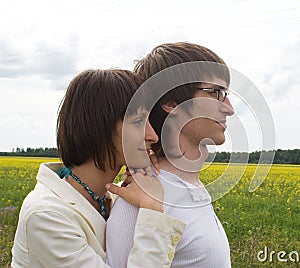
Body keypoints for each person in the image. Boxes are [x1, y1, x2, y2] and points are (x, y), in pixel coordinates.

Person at [11, 69, 186, 268]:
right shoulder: (46, 215)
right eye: (138, 122)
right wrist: (153, 209)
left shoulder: (113, 196)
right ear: (98, 127)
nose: (153, 136)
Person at [107, 42, 234, 268]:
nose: (229, 108)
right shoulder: (138, 200)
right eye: (216, 93)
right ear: (170, 102)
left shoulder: (190, 186)